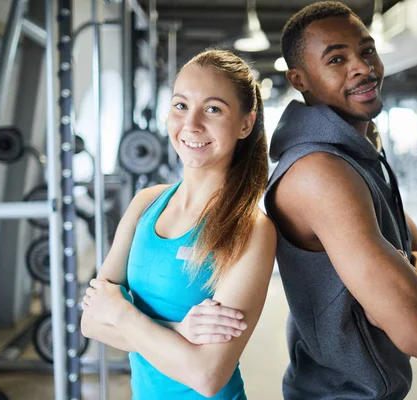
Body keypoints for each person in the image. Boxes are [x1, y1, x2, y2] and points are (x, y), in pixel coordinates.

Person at [263, 2, 417, 399]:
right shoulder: (320, 173)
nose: (363, 67)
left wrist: (415, 269)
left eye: (366, 50)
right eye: (336, 59)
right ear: (300, 79)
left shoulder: (357, 151)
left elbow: (413, 249)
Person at [80, 49, 276, 400]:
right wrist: (178, 329)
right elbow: (91, 321)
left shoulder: (250, 229)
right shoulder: (146, 203)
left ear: (246, 123)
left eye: (213, 109)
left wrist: (122, 313)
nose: (191, 124)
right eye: (181, 105)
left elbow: (207, 375)